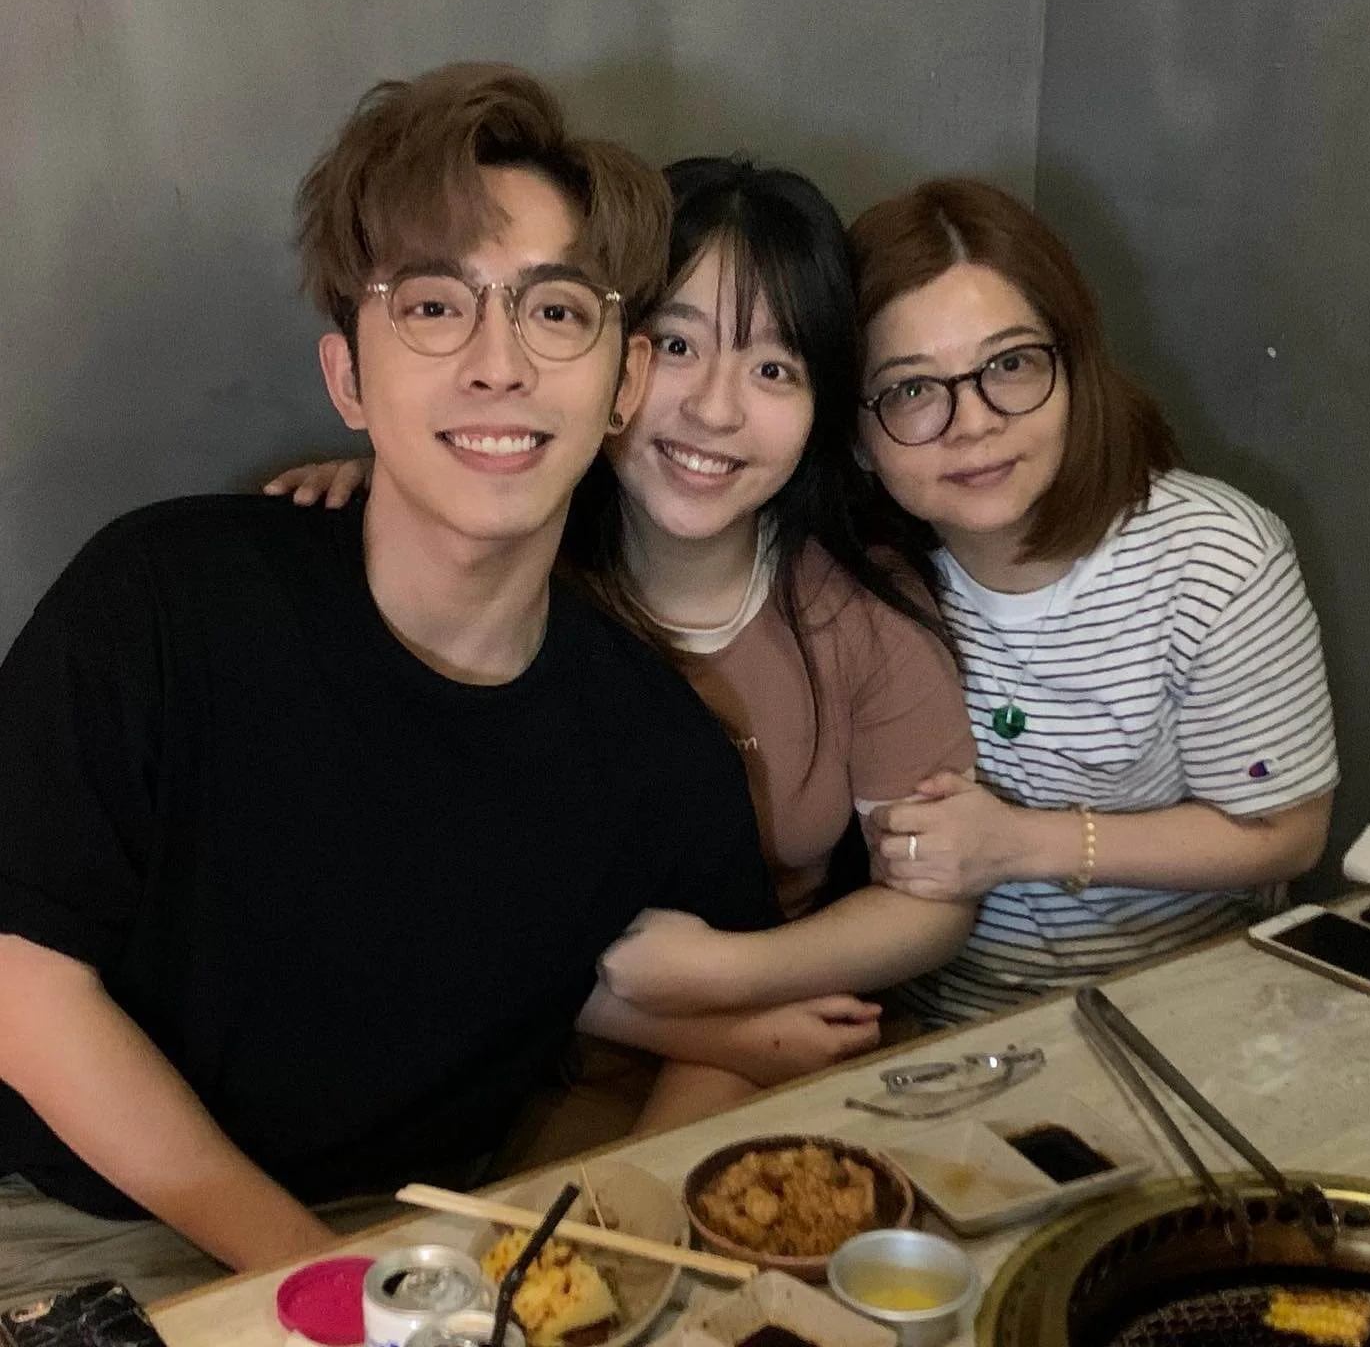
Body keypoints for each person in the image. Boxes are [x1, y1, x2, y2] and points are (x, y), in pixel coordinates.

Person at [0, 65, 871, 1312]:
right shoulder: (162, 603)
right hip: (77, 1224)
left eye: (555, 311)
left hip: (419, 1238)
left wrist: (603, 1242)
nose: (497, 364)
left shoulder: (652, 746)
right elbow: (23, 979)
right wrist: (323, 1284)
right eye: (432, 307)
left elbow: (721, 1047)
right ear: (349, 378)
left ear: (623, 381)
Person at [268, 158, 981, 1062]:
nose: (715, 411)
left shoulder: (860, 612)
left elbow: (930, 899)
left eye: (774, 367)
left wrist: (726, 975)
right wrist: (412, 478)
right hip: (491, 1061)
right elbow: (399, 883)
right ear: (611, 364)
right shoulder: (505, 577)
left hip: (778, 1044)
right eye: (678, 346)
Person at [850, 178, 1338, 1023]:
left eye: (1009, 364)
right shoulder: (860, 577)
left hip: (1182, 1010)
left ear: (1075, 367)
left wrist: (1023, 845)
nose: (974, 422)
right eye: (913, 389)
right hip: (931, 1027)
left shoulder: (1215, 558)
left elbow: (1289, 833)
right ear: (857, 436)